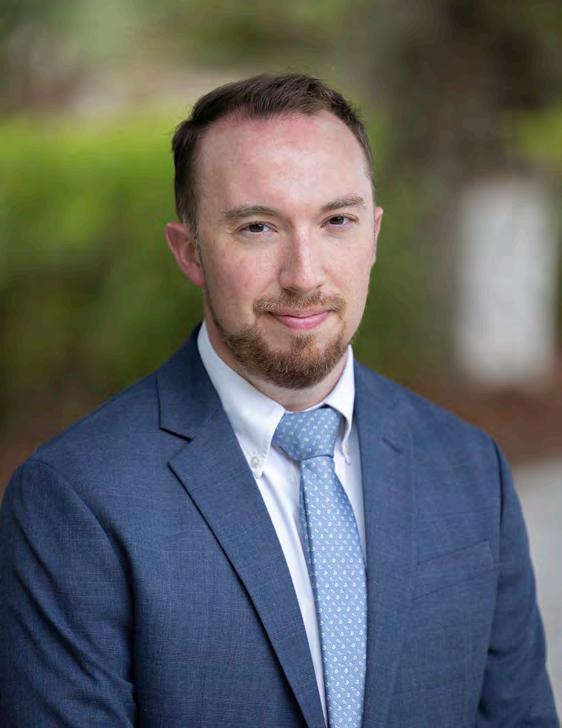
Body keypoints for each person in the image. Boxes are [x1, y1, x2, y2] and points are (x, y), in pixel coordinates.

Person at [0, 74, 557, 727]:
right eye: (258, 227)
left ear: (374, 234)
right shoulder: (76, 500)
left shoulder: (470, 468)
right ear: (190, 252)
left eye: (337, 221)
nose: (304, 275)